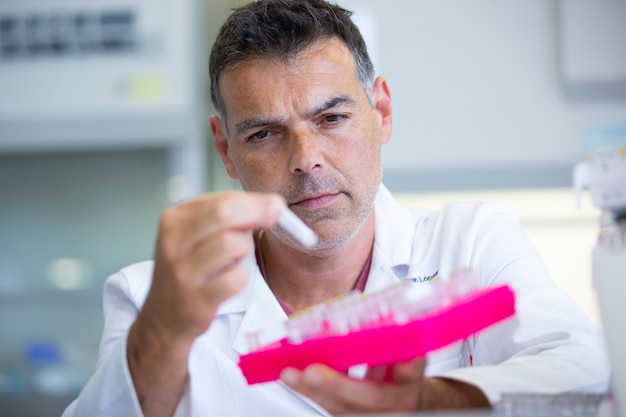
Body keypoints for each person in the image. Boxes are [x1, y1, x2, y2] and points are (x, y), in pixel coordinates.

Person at [62, 0, 610, 416]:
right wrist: (166, 331)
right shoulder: (153, 296)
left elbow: (589, 378)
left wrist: (426, 400)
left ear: (382, 112)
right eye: (265, 134)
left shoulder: (470, 242)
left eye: (332, 119)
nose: (307, 160)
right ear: (226, 149)